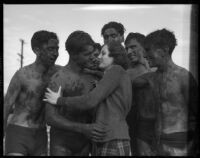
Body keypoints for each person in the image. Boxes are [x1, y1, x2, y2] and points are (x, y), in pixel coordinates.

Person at [44, 41, 132, 156]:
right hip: (104, 138)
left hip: (112, 137)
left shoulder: (116, 70)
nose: (98, 57)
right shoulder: (109, 76)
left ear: (114, 57)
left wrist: (59, 100)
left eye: (103, 53)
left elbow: (90, 100)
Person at [132, 28, 198, 156]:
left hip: (179, 146)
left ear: (164, 50)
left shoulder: (183, 77)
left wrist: (193, 148)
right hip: (157, 145)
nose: (145, 55)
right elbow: (127, 82)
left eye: (148, 50)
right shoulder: (150, 78)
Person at [44, 31, 107, 156]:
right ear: (73, 55)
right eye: (87, 54)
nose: (92, 57)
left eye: (92, 53)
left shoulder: (92, 77)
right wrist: (83, 128)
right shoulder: (59, 78)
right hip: (62, 145)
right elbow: (50, 117)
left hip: (84, 144)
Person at [4, 30, 61, 156]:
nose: (55, 53)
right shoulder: (22, 75)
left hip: (41, 134)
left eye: (57, 49)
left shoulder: (59, 73)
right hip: (18, 131)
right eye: (50, 49)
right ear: (37, 50)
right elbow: (6, 106)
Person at [125, 32, 157, 156]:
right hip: (139, 126)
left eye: (133, 47)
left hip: (163, 126)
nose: (129, 51)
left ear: (144, 46)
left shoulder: (157, 68)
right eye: (126, 48)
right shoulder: (128, 73)